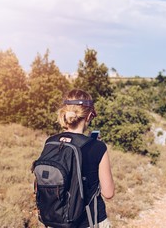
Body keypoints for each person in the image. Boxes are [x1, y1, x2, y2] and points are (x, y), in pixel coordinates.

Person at [57, 89, 115, 228]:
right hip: (90, 220)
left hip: (57, 220)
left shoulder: (51, 142)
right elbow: (108, 193)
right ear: (89, 116)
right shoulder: (97, 147)